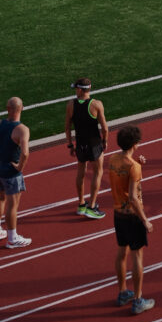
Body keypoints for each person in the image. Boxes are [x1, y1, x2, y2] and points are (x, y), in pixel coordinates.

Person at [108, 125, 155, 315]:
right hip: (133, 216)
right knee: (137, 257)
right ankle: (138, 299)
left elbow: (123, 176)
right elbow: (134, 198)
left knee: (121, 252)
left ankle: (122, 293)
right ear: (135, 144)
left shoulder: (113, 159)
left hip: (118, 214)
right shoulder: (133, 167)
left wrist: (138, 164)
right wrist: (145, 220)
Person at [65, 77, 108, 219]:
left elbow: (67, 127)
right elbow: (105, 128)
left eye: (75, 89)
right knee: (97, 173)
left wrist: (70, 144)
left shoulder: (71, 104)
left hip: (80, 144)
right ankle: (92, 206)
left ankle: (81, 204)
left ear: (79, 89)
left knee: (80, 173)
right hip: (94, 144)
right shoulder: (96, 104)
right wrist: (105, 141)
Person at [0, 96, 31, 249]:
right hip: (10, 172)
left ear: (7, 109)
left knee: (0, 198)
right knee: (12, 205)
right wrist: (20, 167)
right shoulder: (22, 129)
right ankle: (12, 238)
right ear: (22, 108)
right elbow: (25, 153)